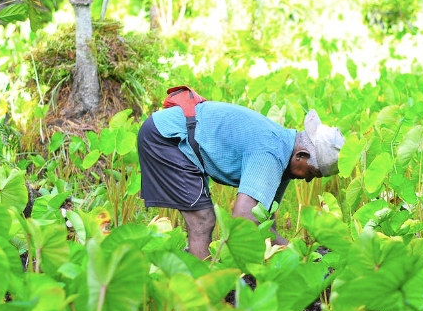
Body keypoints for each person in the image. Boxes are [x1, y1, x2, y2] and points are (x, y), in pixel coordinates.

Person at [137, 100, 345, 260]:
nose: (307, 181)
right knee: (202, 220)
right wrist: (292, 251)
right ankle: (203, 290)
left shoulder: (285, 154)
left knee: (204, 220)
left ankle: (198, 272)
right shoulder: (271, 153)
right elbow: (244, 220)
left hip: (180, 136)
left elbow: (263, 222)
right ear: (301, 156)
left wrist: (295, 254)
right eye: (311, 174)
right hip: (168, 137)